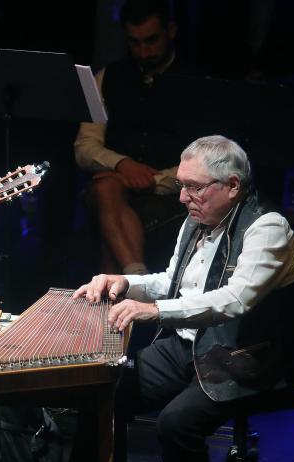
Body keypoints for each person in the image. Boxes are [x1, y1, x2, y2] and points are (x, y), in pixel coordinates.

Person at [58, 135, 294, 462]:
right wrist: (125, 282)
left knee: (177, 423)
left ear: (233, 186)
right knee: (101, 389)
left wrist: (154, 312)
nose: (182, 197)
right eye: (182, 185)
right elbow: (174, 283)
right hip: (191, 347)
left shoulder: (268, 228)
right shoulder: (196, 221)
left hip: (249, 354)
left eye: (194, 187)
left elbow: (234, 299)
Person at [75, 0, 198, 275]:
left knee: (108, 208)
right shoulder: (108, 75)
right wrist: (122, 165)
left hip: (173, 189)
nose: (143, 51)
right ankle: (138, 280)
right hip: (116, 185)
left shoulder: (196, 81)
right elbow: (85, 146)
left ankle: (122, 292)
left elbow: (209, 160)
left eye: (151, 41)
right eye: (135, 42)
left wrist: (153, 181)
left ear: (171, 31)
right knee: (107, 189)